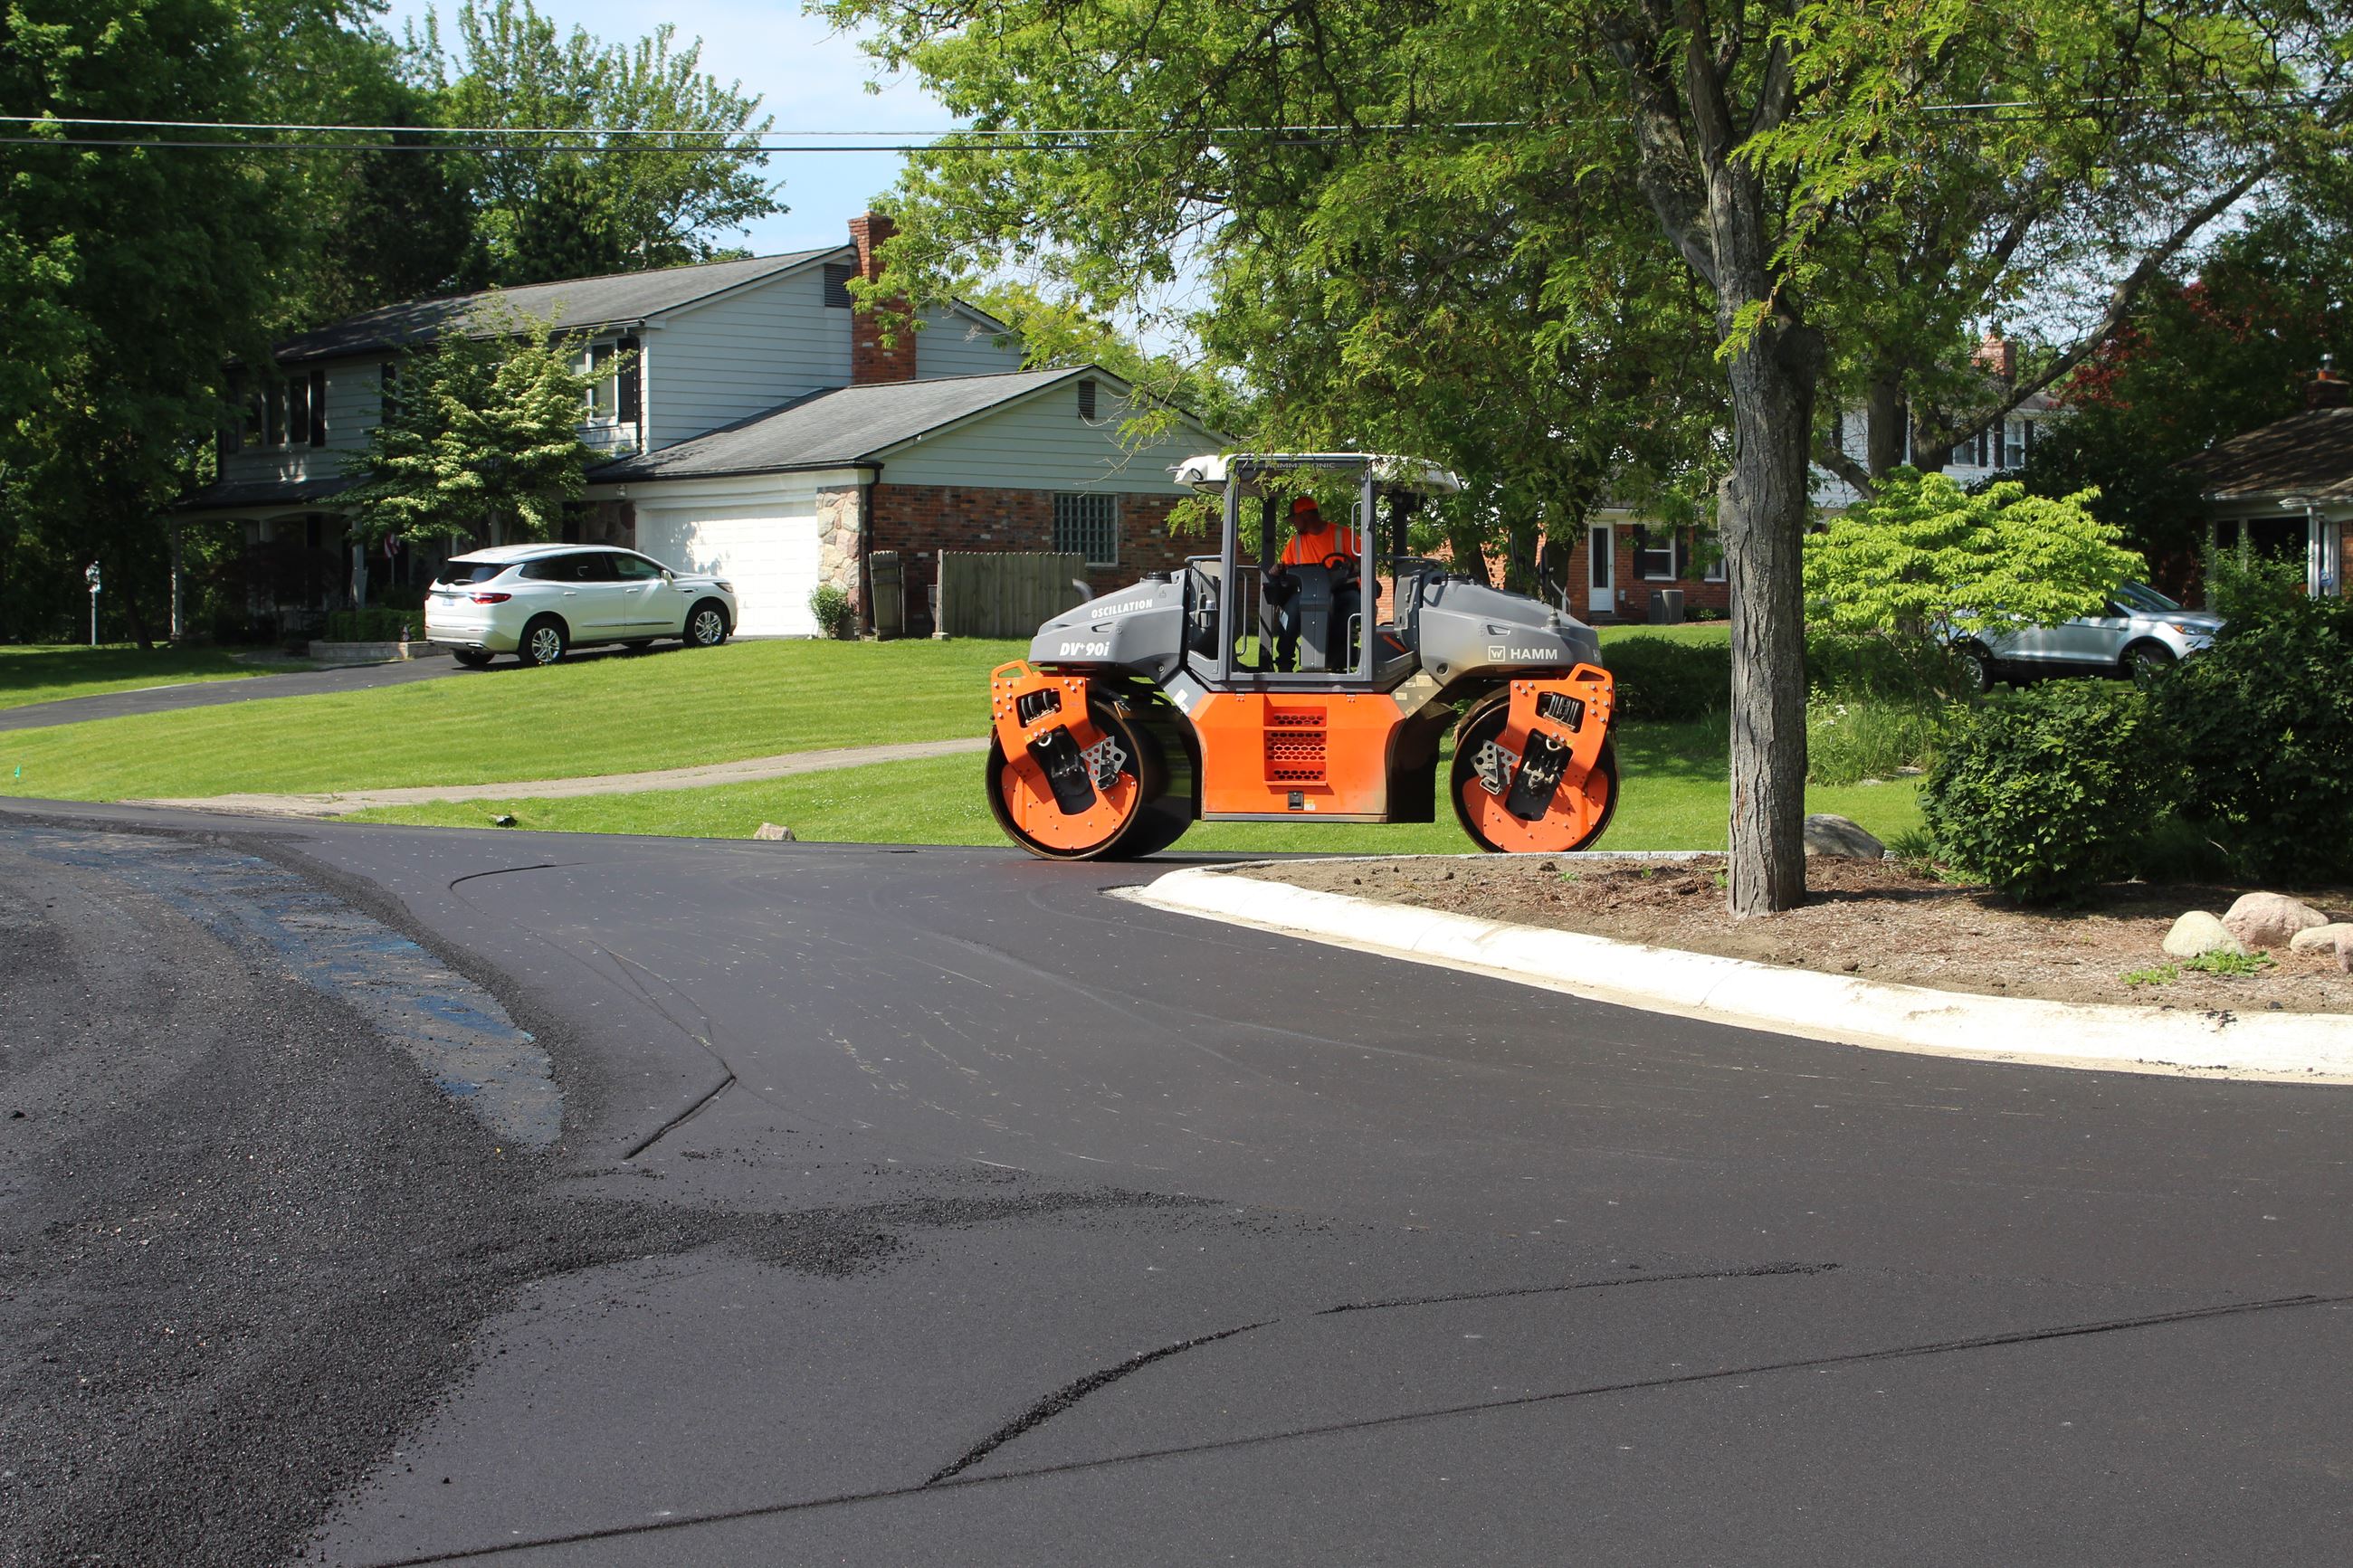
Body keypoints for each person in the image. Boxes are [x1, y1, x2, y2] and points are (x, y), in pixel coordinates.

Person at [1266, 496, 1363, 670]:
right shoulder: (1294, 543)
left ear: (1304, 515)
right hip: (1308, 592)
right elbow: (1285, 567)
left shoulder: (1344, 535)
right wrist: (1277, 568)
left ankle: (1337, 660)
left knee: (1352, 604)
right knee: (1291, 610)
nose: (1293, 524)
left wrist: (1352, 566)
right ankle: (1285, 663)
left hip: (1342, 591)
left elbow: (1364, 562)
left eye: (1294, 519)